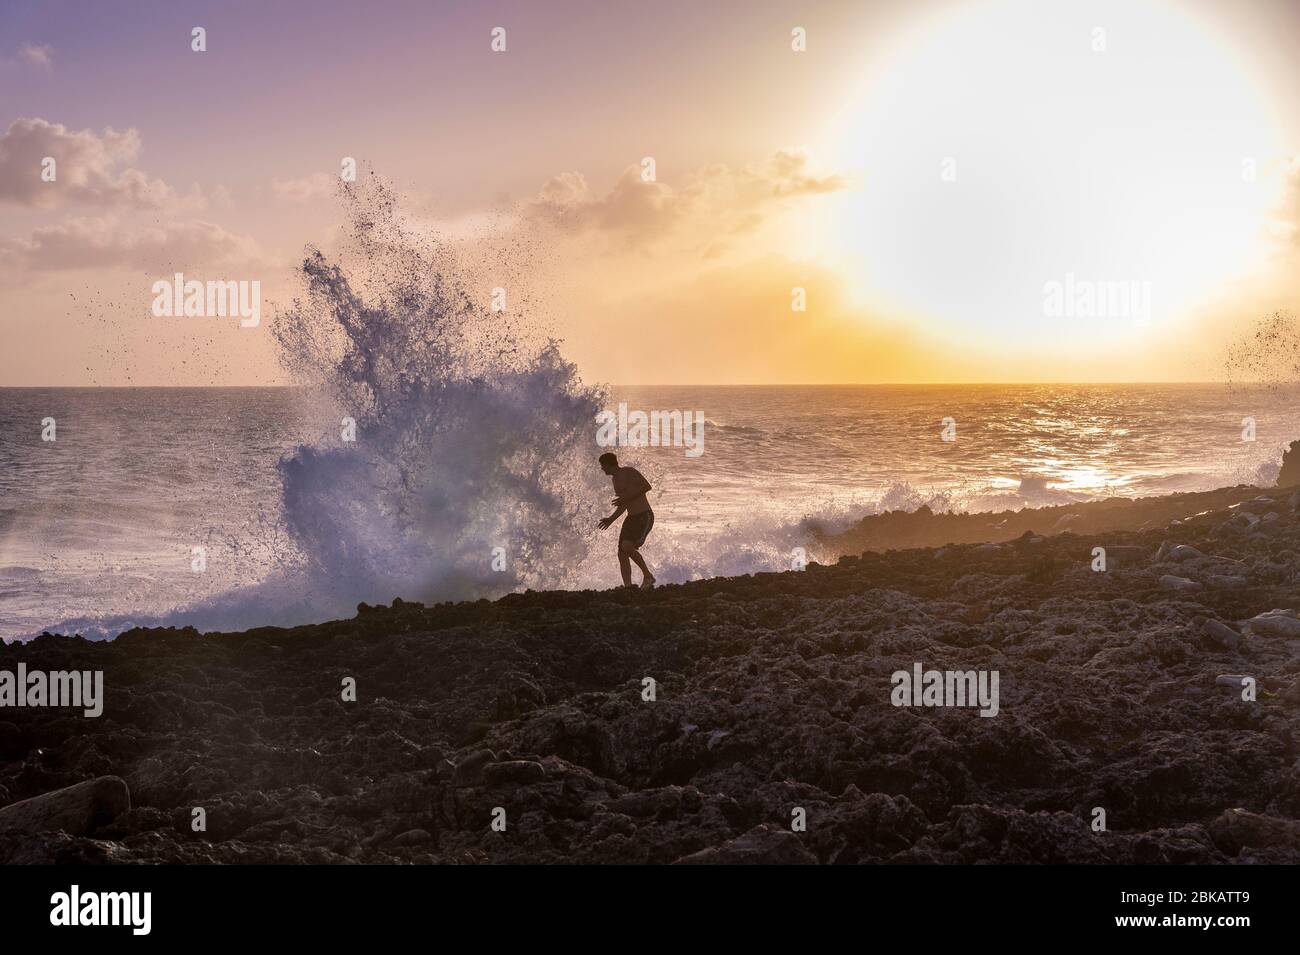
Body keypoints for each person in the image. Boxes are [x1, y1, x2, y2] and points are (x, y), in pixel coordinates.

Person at [596, 452, 656, 589]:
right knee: (622, 553)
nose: (602, 469)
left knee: (627, 546)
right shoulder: (615, 481)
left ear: (608, 464)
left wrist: (626, 498)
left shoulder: (628, 472)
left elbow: (647, 486)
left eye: (602, 465)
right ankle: (628, 587)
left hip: (644, 515)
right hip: (631, 518)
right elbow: (623, 505)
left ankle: (648, 576)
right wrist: (610, 520)